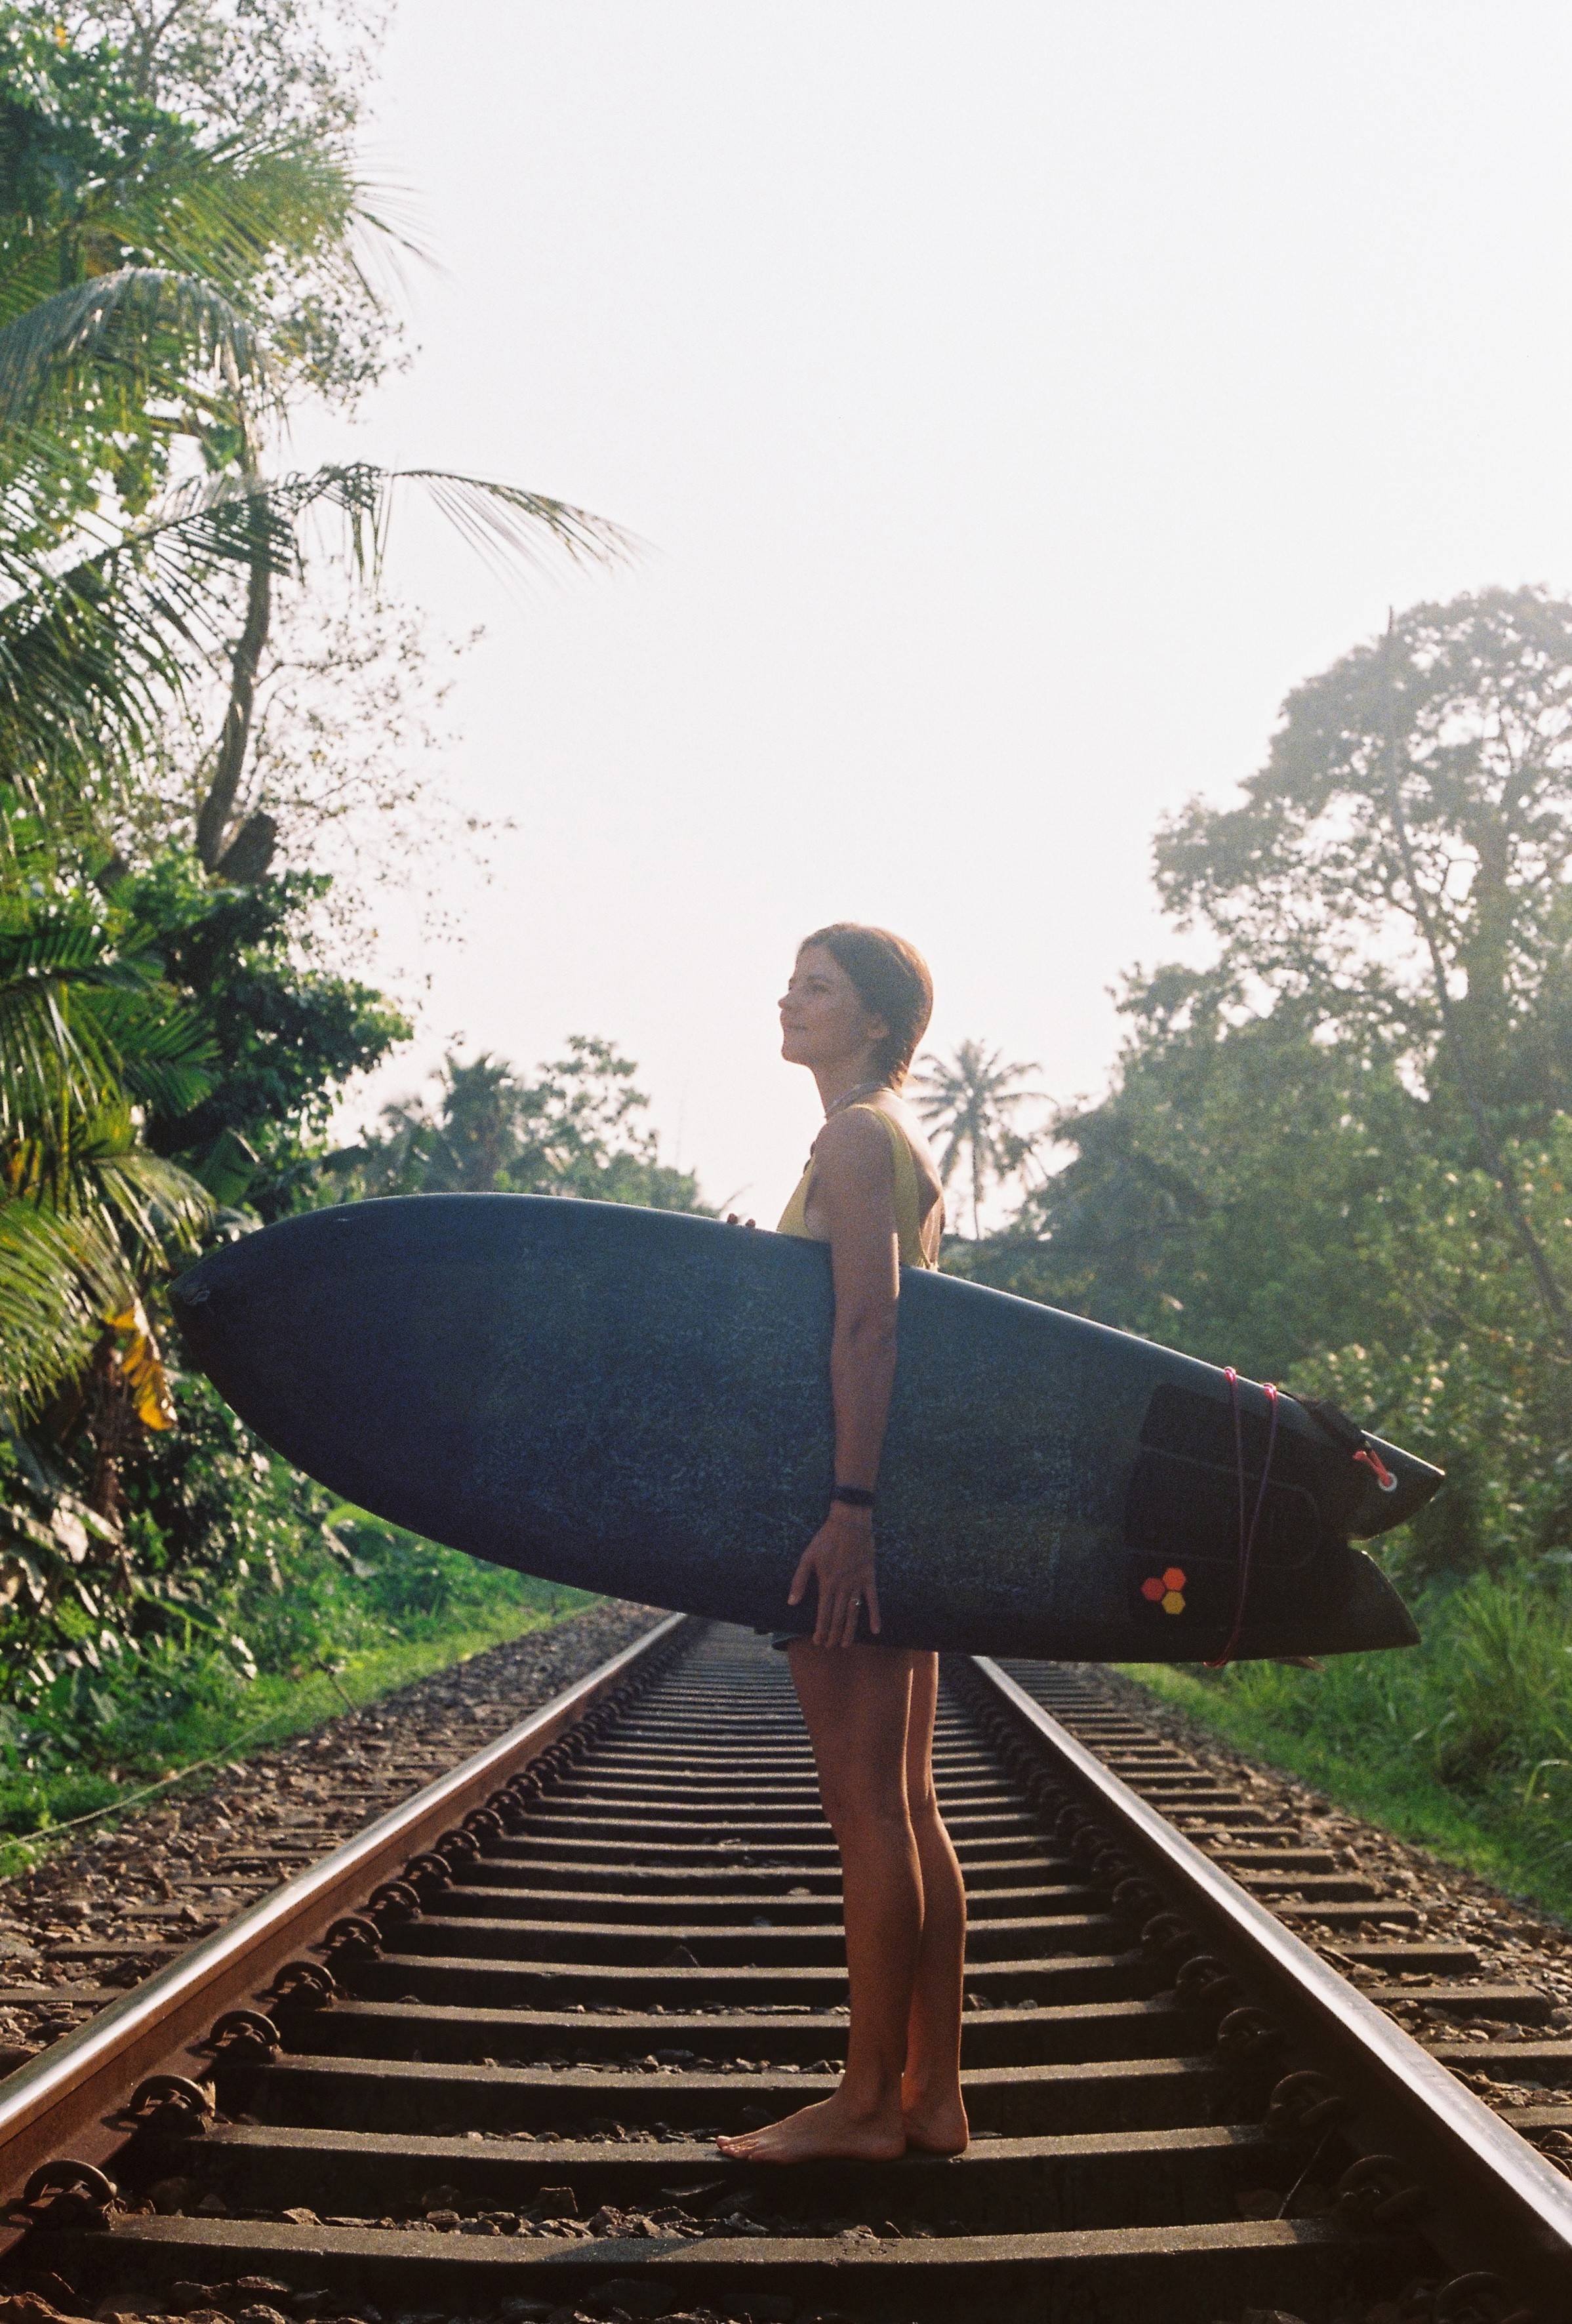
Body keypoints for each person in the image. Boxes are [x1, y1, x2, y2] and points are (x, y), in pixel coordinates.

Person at [715, 924, 969, 2165]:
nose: (789, 998)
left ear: (873, 1019)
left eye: (816, 986)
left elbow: (868, 1329)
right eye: (793, 980)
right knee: (907, 1804)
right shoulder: (889, 1137)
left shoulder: (857, 1136)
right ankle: (929, 2098)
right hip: (885, 1496)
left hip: (854, 1501)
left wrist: (847, 1516)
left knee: (868, 1807)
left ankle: (866, 2107)